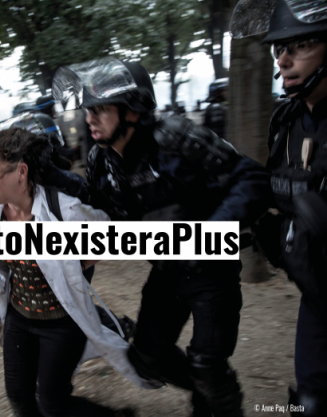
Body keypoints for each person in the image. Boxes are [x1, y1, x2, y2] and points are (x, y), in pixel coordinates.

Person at [53, 57, 271, 416]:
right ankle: (209, 386)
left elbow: (252, 179)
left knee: (206, 363)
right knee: (148, 359)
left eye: (100, 109)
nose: (89, 118)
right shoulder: (100, 161)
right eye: (88, 110)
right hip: (166, 272)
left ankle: (217, 394)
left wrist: (208, 236)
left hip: (212, 273)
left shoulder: (175, 138)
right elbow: (94, 209)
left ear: (133, 111)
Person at [0, 128, 153, 417]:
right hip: (18, 319)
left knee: (53, 404)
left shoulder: (63, 210)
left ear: (21, 172)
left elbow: (110, 235)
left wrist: (76, 263)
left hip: (61, 325)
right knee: (20, 398)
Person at [231, 1, 327, 414]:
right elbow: (280, 194)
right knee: (309, 401)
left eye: (300, 45)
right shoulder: (286, 121)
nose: (284, 59)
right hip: (316, 295)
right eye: (278, 49)